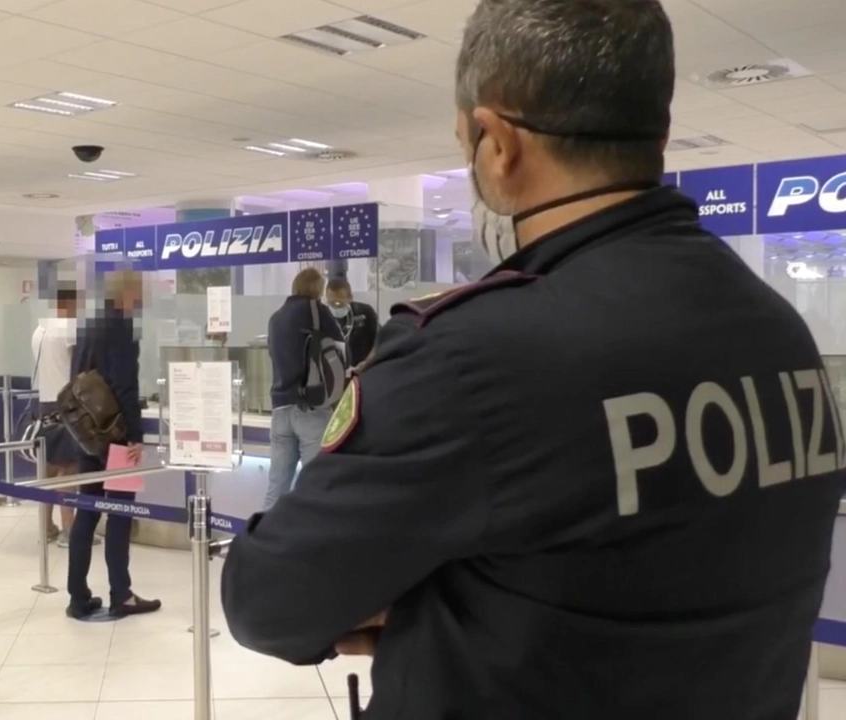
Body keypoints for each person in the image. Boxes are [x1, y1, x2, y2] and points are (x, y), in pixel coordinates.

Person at [221, 1, 845, 718]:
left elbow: (265, 598)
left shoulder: (468, 359)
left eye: (466, 143)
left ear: (495, 143)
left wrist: (419, 601)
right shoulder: (780, 335)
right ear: (660, 132)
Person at [65, 269, 161, 620]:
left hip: (87, 435)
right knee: (120, 514)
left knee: (86, 512)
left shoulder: (89, 325)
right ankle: (121, 594)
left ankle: (77, 596)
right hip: (116, 436)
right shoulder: (121, 327)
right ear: (129, 293)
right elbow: (124, 386)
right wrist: (136, 436)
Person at [262, 267, 343, 509]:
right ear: (317, 289)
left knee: (276, 489)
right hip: (311, 406)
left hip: (280, 409)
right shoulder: (316, 311)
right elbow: (339, 351)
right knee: (317, 486)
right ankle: (315, 544)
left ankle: (265, 541)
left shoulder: (276, 318)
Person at [31, 284, 97, 549]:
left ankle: (46, 527)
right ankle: (70, 529)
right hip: (66, 405)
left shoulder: (40, 329)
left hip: (45, 404)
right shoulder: (67, 327)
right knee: (69, 468)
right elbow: (80, 364)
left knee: (48, 469)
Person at [324, 277, 379, 370]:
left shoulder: (365, 312)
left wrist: (367, 363)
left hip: (364, 368)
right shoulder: (324, 316)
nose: (335, 307)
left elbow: (378, 340)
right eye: (331, 303)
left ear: (350, 298)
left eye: (339, 303)